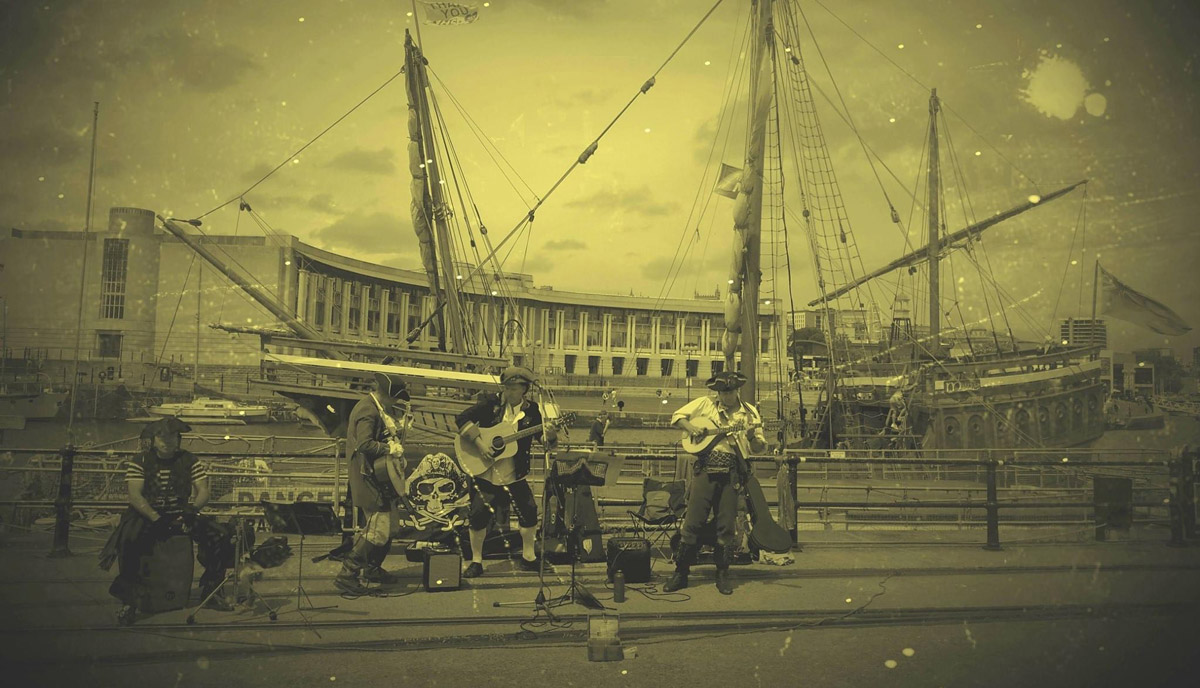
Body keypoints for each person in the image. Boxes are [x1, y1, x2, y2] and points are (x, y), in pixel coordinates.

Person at [100, 417, 235, 625]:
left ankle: (212, 588)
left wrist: (192, 510)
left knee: (221, 536)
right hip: (147, 515)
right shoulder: (140, 460)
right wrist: (156, 518)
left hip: (181, 513)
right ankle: (130, 601)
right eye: (161, 436)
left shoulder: (190, 460)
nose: (167, 441)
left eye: (172, 436)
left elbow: (203, 490)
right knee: (130, 540)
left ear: (179, 439)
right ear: (153, 439)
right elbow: (135, 496)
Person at [665, 370, 767, 595]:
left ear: (737, 390)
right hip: (704, 470)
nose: (725, 396)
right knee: (692, 521)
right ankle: (681, 572)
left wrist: (752, 437)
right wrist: (692, 429)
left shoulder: (750, 413)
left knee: (726, 526)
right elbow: (676, 417)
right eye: (721, 392)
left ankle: (722, 573)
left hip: (731, 473)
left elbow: (759, 447)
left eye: (729, 392)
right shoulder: (704, 404)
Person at [455, 365, 557, 578]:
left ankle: (528, 556)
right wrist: (480, 444)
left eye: (514, 388)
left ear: (524, 390)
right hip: (486, 473)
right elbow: (461, 419)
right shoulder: (490, 404)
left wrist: (551, 435)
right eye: (507, 388)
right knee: (477, 516)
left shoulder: (532, 411)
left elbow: (543, 442)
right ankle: (476, 561)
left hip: (515, 473)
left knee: (529, 512)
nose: (509, 392)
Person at [334, 372, 413, 594]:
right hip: (367, 476)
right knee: (378, 528)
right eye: (394, 398)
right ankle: (346, 574)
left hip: (377, 477)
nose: (395, 403)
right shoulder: (367, 410)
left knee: (390, 526)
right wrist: (390, 448)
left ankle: (371, 567)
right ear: (386, 395)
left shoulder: (375, 407)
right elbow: (364, 444)